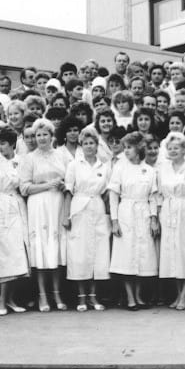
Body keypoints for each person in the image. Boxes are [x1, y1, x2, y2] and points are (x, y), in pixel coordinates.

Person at [18, 119, 68, 312]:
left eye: (45, 134)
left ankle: (57, 293)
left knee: (54, 249)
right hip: (38, 205)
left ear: (51, 136)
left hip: (57, 205)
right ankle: (42, 295)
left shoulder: (61, 155)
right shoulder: (29, 159)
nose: (41, 138)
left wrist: (63, 185)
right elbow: (24, 187)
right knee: (40, 249)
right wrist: (48, 185)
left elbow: (70, 180)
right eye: (38, 135)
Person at [0, 126, 30, 316]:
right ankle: (1, 299)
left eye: (4, 144)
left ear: (13, 144)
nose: (0, 147)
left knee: (18, 255)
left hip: (17, 207)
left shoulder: (21, 161)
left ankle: (10, 299)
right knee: (3, 255)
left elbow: (25, 186)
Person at [108, 132, 159, 310]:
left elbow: (152, 197)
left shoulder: (149, 170)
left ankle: (138, 296)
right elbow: (113, 196)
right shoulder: (120, 168)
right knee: (127, 256)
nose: (126, 150)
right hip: (126, 213)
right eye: (125, 147)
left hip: (143, 213)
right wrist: (114, 221)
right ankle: (130, 297)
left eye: (129, 147)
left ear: (139, 148)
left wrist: (153, 219)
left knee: (142, 256)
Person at [63, 127, 112, 312]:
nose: (89, 146)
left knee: (97, 254)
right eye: (85, 143)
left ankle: (93, 297)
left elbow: (106, 193)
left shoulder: (104, 167)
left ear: (97, 145)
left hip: (97, 209)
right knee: (80, 254)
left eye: (92, 143)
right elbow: (68, 191)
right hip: (79, 209)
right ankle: (81, 298)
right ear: (81, 146)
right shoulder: (74, 165)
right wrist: (66, 216)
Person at [156, 132, 185, 310]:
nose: (173, 151)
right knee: (172, 252)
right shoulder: (163, 168)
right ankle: (178, 293)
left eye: (177, 148)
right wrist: (157, 215)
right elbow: (159, 194)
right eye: (170, 148)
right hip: (167, 211)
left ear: (184, 149)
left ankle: (184, 295)